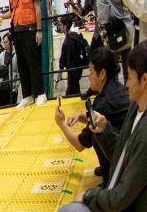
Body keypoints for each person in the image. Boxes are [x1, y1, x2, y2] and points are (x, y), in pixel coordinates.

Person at [53, 44, 147, 212]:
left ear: (144, 80)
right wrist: (104, 131)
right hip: (114, 193)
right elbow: (120, 154)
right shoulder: (135, 106)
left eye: (130, 77)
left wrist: (89, 196)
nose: (127, 84)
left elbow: (120, 197)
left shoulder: (143, 132)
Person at [55, 46, 130, 182]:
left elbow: (79, 144)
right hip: (128, 151)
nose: (89, 77)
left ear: (102, 74)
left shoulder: (104, 103)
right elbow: (103, 117)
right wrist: (81, 116)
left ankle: (110, 175)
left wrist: (61, 123)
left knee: (96, 134)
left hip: (125, 164)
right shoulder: (116, 88)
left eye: (91, 72)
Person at [0, 0, 46, 107]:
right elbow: (13, 11)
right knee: (22, 64)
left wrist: (39, 30)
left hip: (30, 29)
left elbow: (37, 7)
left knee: (33, 62)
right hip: (17, 31)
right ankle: (27, 96)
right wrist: (1, 17)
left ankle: (40, 93)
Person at [96, 0, 134, 80]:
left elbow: (103, 20)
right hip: (128, 33)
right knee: (130, 75)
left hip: (113, 38)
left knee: (112, 76)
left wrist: (104, 42)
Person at [58, 15, 90, 97]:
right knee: (74, 91)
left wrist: (59, 75)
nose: (59, 26)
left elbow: (63, 60)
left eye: (60, 25)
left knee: (72, 93)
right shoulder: (75, 35)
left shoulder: (67, 42)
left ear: (65, 26)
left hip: (72, 71)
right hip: (78, 68)